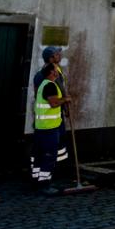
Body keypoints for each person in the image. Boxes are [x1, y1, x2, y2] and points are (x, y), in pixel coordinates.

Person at [33, 63, 72, 195]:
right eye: (56, 70)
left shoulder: (43, 84)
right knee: (49, 156)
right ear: (51, 73)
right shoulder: (50, 86)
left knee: (39, 156)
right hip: (49, 128)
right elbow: (54, 103)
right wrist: (65, 99)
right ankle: (45, 185)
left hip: (41, 127)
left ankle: (37, 181)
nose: (58, 72)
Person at [30, 47, 68, 180]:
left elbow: (60, 91)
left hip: (51, 119)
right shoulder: (45, 77)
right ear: (51, 58)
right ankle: (46, 176)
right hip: (49, 122)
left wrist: (64, 108)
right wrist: (65, 101)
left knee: (54, 147)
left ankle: (45, 172)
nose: (60, 55)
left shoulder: (55, 72)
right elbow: (51, 99)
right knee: (48, 150)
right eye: (57, 54)